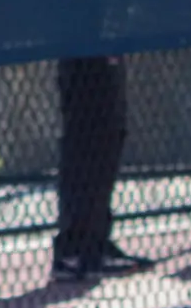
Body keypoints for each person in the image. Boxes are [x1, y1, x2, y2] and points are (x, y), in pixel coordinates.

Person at [51, 55, 153, 280]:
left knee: (111, 129)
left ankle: (95, 241)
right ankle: (75, 249)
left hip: (104, 40)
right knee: (87, 132)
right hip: (82, 51)